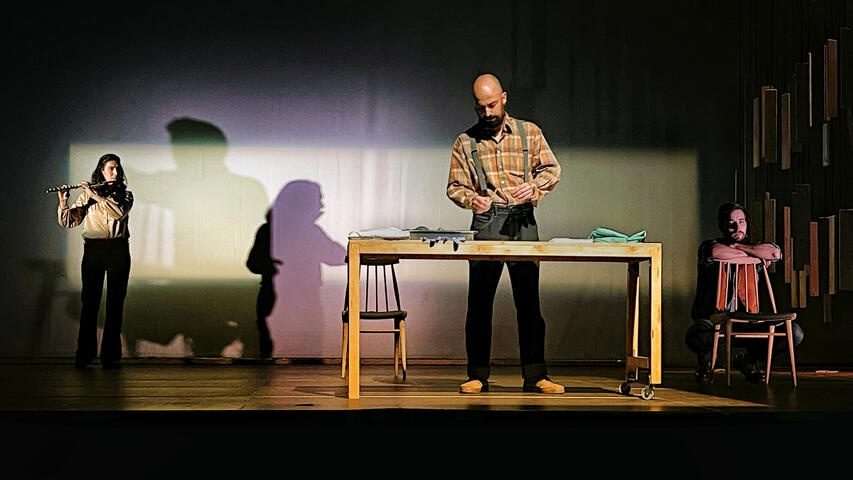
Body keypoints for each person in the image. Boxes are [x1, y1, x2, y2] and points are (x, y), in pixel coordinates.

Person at [446, 74, 563, 394]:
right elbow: (455, 186)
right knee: (480, 302)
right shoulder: (465, 141)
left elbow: (552, 169)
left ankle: (536, 375)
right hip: (487, 223)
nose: (487, 113)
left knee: (528, 302)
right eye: (480, 108)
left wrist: (534, 187)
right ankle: (477, 375)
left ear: (504, 98)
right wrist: (472, 199)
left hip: (522, 221)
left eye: (492, 105)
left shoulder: (529, 132)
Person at [686, 202, 804, 381]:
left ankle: (749, 360)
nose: (737, 227)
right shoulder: (708, 246)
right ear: (722, 225)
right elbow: (716, 252)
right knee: (695, 335)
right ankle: (707, 362)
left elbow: (775, 253)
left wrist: (741, 248)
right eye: (731, 223)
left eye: (741, 222)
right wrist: (754, 256)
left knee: (795, 332)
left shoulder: (753, 247)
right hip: (716, 320)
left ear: (747, 224)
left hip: (749, 321)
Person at [57, 153, 134, 369]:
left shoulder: (126, 195)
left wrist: (93, 194)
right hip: (94, 251)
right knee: (90, 303)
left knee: (115, 303)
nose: (115, 172)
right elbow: (69, 222)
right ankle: (85, 355)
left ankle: (110, 356)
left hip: (118, 251)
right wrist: (63, 201)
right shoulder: (87, 196)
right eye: (111, 168)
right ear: (101, 171)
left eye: (117, 168)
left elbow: (118, 213)